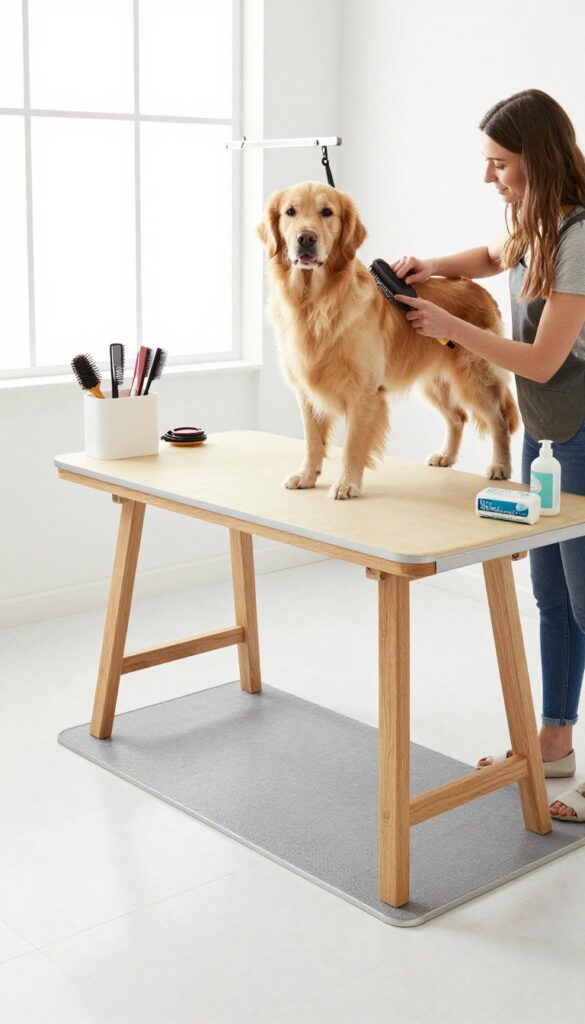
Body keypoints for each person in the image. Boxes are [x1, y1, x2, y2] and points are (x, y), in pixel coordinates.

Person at [392, 89, 585, 823]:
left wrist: (447, 324)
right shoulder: (534, 221)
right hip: (546, 430)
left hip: (580, 432)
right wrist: (428, 266)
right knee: (550, 595)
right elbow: (488, 254)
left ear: (535, 159)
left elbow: (539, 360)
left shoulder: (576, 236)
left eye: (497, 164)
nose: (488, 178)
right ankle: (554, 736)